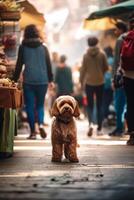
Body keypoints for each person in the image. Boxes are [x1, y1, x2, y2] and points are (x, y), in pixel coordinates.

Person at [13, 24, 54, 139]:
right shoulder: (44, 47)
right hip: (42, 80)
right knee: (40, 106)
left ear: (26, 33)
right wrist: (50, 80)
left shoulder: (23, 47)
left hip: (29, 81)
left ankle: (32, 132)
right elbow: (48, 65)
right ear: (37, 33)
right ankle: (40, 124)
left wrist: (14, 79)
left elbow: (19, 65)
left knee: (30, 106)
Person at [80, 36, 108, 136]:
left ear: (88, 43)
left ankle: (91, 124)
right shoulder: (102, 54)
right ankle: (99, 129)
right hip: (100, 82)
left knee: (90, 105)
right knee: (100, 105)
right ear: (97, 42)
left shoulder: (85, 55)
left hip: (89, 83)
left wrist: (81, 81)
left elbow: (83, 70)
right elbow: (106, 67)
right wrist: (100, 73)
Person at [109, 21, 128, 136]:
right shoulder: (130, 37)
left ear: (121, 29)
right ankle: (128, 127)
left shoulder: (120, 40)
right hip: (130, 75)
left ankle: (119, 127)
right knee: (128, 103)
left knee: (119, 103)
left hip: (121, 77)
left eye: (116, 29)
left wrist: (113, 79)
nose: (115, 32)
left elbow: (116, 61)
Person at [122, 14, 134, 145]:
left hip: (128, 76)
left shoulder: (124, 37)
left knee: (130, 104)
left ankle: (132, 134)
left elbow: (121, 60)